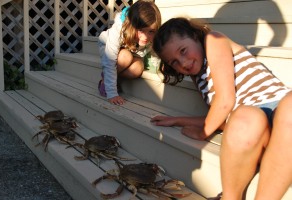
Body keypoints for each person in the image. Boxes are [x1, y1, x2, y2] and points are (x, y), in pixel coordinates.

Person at [150, 17, 292, 200]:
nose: (183, 63)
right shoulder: (198, 75)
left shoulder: (213, 41)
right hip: (252, 124)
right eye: (174, 62)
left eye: (183, 51)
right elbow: (220, 116)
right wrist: (176, 120)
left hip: (280, 107)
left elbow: (225, 101)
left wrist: (203, 133)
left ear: (195, 36)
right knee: (245, 118)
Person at [98, 0, 161, 105]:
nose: (145, 37)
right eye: (141, 30)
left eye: (151, 31)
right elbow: (109, 61)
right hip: (109, 49)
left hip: (132, 49)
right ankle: (105, 80)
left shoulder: (148, 37)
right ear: (132, 26)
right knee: (125, 57)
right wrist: (112, 93)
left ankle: (115, 77)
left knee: (138, 68)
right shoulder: (118, 31)